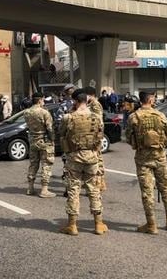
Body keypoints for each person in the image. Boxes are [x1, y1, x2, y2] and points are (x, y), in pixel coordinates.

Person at [125, 91, 167, 234]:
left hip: (143, 158)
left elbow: (128, 137)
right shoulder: (160, 115)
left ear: (140, 100)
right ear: (151, 100)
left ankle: (151, 224)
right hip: (160, 157)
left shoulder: (133, 117)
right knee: (165, 188)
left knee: (147, 192)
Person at [58, 92, 107, 236]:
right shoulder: (96, 117)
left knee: (73, 190)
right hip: (92, 156)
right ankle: (98, 224)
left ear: (75, 101)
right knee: (94, 190)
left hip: (74, 157)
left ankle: (72, 225)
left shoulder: (68, 117)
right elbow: (100, 134)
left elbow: (62, 133)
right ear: (87, 101)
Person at [22, 92, 56, 198]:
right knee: (46, 164)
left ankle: (30, 187)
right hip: (44, 141)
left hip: (32, 140)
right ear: (40, 100)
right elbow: (49, 128)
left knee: (33, 163)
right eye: (43, 99)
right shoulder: (44, 112)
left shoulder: (26, 112)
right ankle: (44, 189)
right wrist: (52, 139)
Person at [84, 86, 106, 193]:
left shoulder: (95, 105)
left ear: (91, 95)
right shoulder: (90, 105)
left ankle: (100, 182)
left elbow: (98, 120)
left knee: (98, 159)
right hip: (92, 135)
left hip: (96, 136)